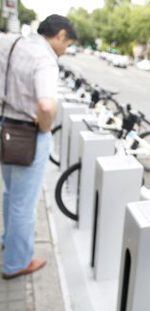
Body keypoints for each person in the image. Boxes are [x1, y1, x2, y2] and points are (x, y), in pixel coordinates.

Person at [0, 15, 77, 279]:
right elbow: (46, 105)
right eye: (67, 45)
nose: (65, 51)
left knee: (11, 193)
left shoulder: (11, 43)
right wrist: (45, 128)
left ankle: (8, 239)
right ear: (60, 35)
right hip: (27, 134)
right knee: (24, 203)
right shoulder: (45, 59)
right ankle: (16, 263)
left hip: (4, 127)